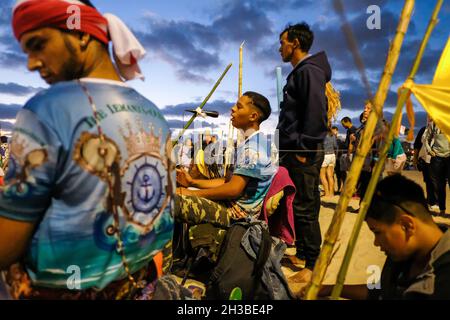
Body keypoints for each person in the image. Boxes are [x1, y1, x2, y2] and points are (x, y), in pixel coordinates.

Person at [0, 0, 174, 300]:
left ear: (82, 34)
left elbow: (6, 246)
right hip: (139, 286)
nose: (31, 63)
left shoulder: (47, 109)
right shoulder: (154, 114)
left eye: (38, 44)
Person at [314, 175, 450, 300]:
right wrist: (329, 289)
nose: (376, 243)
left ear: (407, 225)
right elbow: (382, 291)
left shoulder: (440, 283)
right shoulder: (404, 252)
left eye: (377, 232)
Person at [277, 22, 331, 281]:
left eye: (282, 42)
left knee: (305, 205)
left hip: (303, 152)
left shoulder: (309, 71)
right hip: (294, 150)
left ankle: (313, 265)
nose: (280, 48)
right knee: (298, 202)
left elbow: (316, 111)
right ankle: (302, 253)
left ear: (294, 43)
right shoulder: (302, 71)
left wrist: (305, 149)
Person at [175, 91, 276, 227]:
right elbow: (226, 181)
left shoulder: (253, 149)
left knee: (168, 202)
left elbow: (233, 189)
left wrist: (192, 194)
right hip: (229, 205)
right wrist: (192, 182)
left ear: (253, 116)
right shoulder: (250, 143)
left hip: (235, 214)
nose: (232, 109)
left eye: (239, 107)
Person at [423, 120, 450, 217]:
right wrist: (430, 150)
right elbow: (426, 139)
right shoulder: (433, 124)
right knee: (439, 185)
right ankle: (442, 209)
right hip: (437, 157)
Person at [413, 125, 437, 210]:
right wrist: (415, 159)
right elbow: (417, 145)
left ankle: (434, 201)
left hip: (441, 159)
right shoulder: (424, 129)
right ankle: (431, 201)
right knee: (429, 180)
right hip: (426, 159)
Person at [320, 128, 338, 197]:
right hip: (332, 155)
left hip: (325, 155)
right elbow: (336, 146)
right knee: (330, 176)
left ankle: (327, 193)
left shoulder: (322, 135)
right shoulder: (332, 135)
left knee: (322, 176)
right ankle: (331, 193)